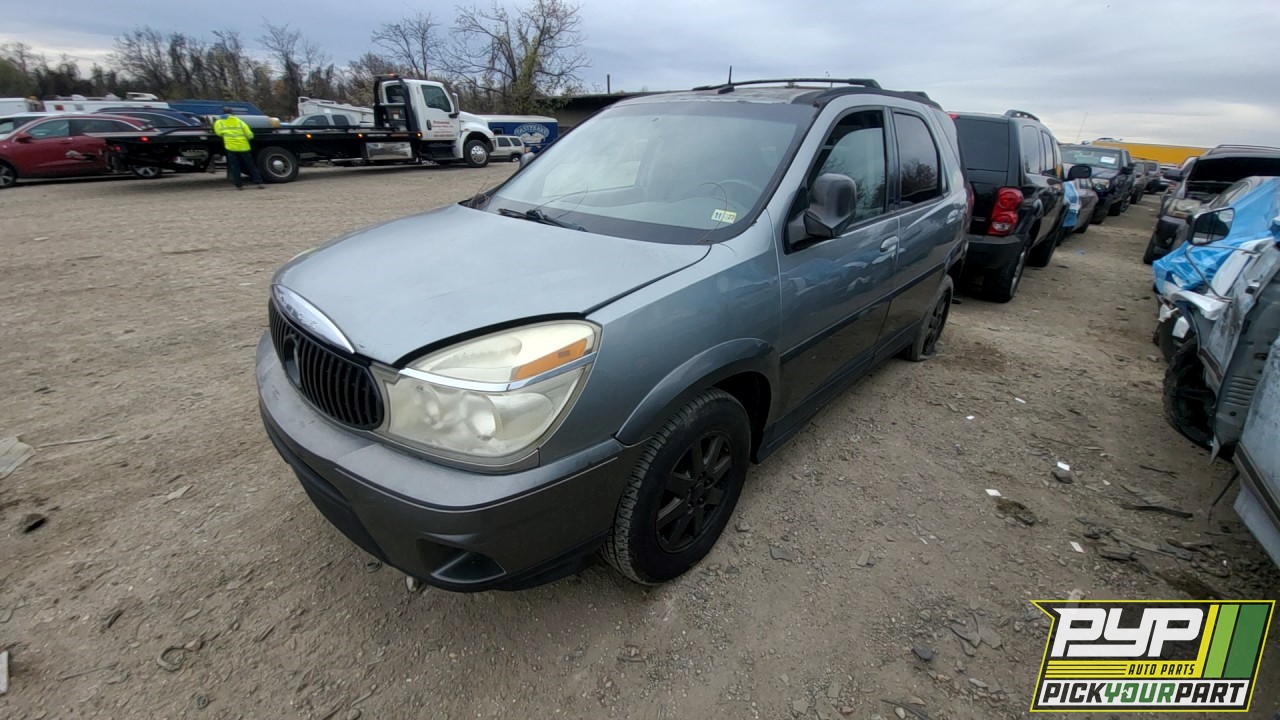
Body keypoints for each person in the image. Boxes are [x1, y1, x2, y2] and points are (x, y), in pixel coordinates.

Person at [213, 107, 264, 190]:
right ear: (232, 113)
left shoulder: (219, 122)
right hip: (244, 146)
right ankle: (259, 182)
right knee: (250, 165)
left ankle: (239, 185)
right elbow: (249, 134)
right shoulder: (239, 121)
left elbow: (218, 133)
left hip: (231, 147)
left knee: (235, 166)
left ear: (223, 113)